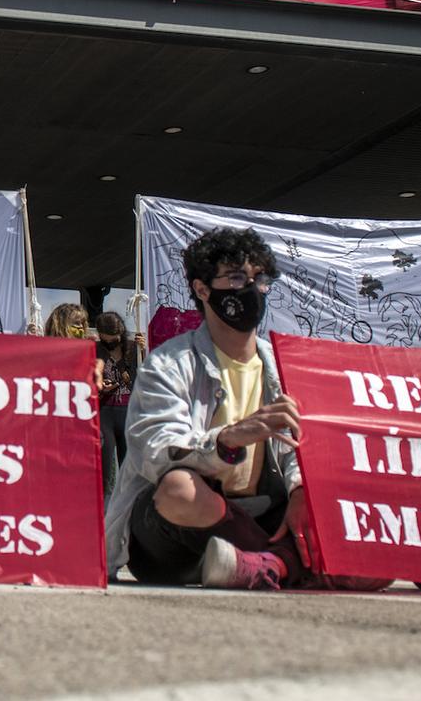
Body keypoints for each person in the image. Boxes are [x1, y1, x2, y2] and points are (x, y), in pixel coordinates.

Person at [106, 226, 318, 590]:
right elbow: (155, 453)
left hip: (266, 513)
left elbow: (304, 447)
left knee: (326, 503)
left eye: (259, 278)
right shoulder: (167, 364)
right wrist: (229, 440)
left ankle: (262, 565)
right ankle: (286, 563)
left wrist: (300, 491)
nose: (251, 289)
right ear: (202, 289)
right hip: (174, 535)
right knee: (179, 488)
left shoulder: (285, 367)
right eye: (236, 278)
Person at [94, 311, 143, 500]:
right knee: (107, 459)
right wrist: (103, 387)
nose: (110, 345)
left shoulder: (132, 349)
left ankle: (128, 501)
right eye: (106, 341)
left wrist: (143, 351)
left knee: (128, 461)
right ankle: (106, 501)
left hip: (128, 411)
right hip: (105, 410)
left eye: (113, 341)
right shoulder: (97, 350)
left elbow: (144, 374)